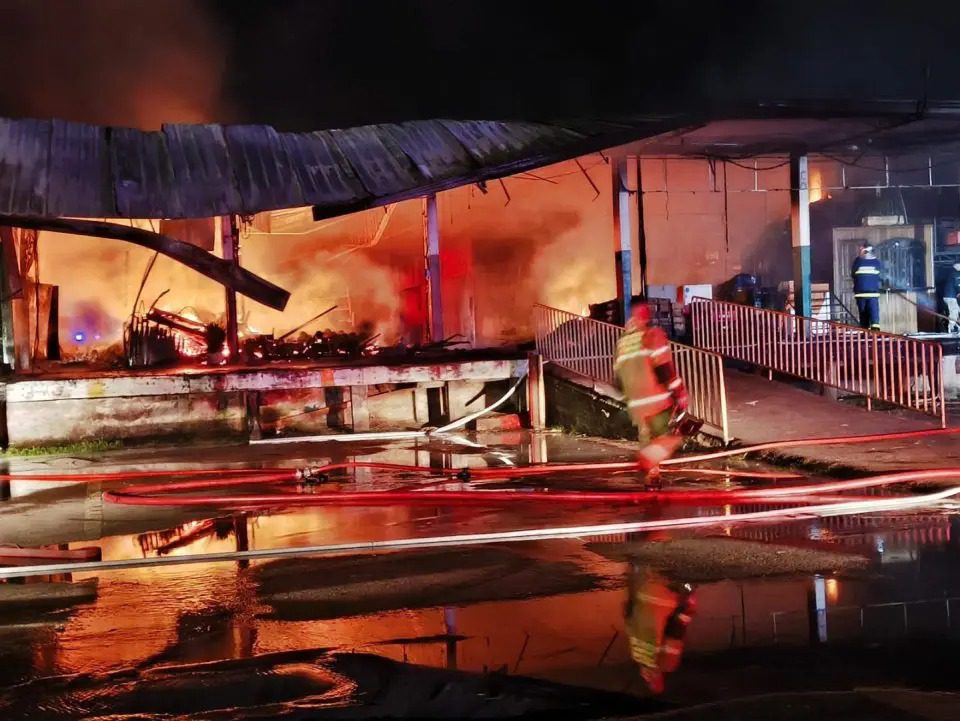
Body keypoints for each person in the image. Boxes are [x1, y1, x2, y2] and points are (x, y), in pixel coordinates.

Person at [614, 301, 688, 481]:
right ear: (643, 314)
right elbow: (663, 368)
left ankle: (652, 478)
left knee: (647, 440)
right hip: (656, 400)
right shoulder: (652, 335)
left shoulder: (623, 342)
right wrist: (679, 392)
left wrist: (629, 397)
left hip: (636, 405)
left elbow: (617, 377)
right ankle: (647, 461)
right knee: (671, 438)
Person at [624, 563, 696, 695]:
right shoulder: (639, 655)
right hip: (653, 591)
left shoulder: (667, 663)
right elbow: (630, 621)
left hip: (667, 594)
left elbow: (676, 631)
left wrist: (687, 602)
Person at [851, 244, 882, 330]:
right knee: (874, 315)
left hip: (860, 294)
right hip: (873, 294)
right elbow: (880, 275)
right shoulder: (876, 262)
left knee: (863, 315)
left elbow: (853, 274)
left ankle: (865, 334)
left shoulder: (858, 261)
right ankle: (876, 334)